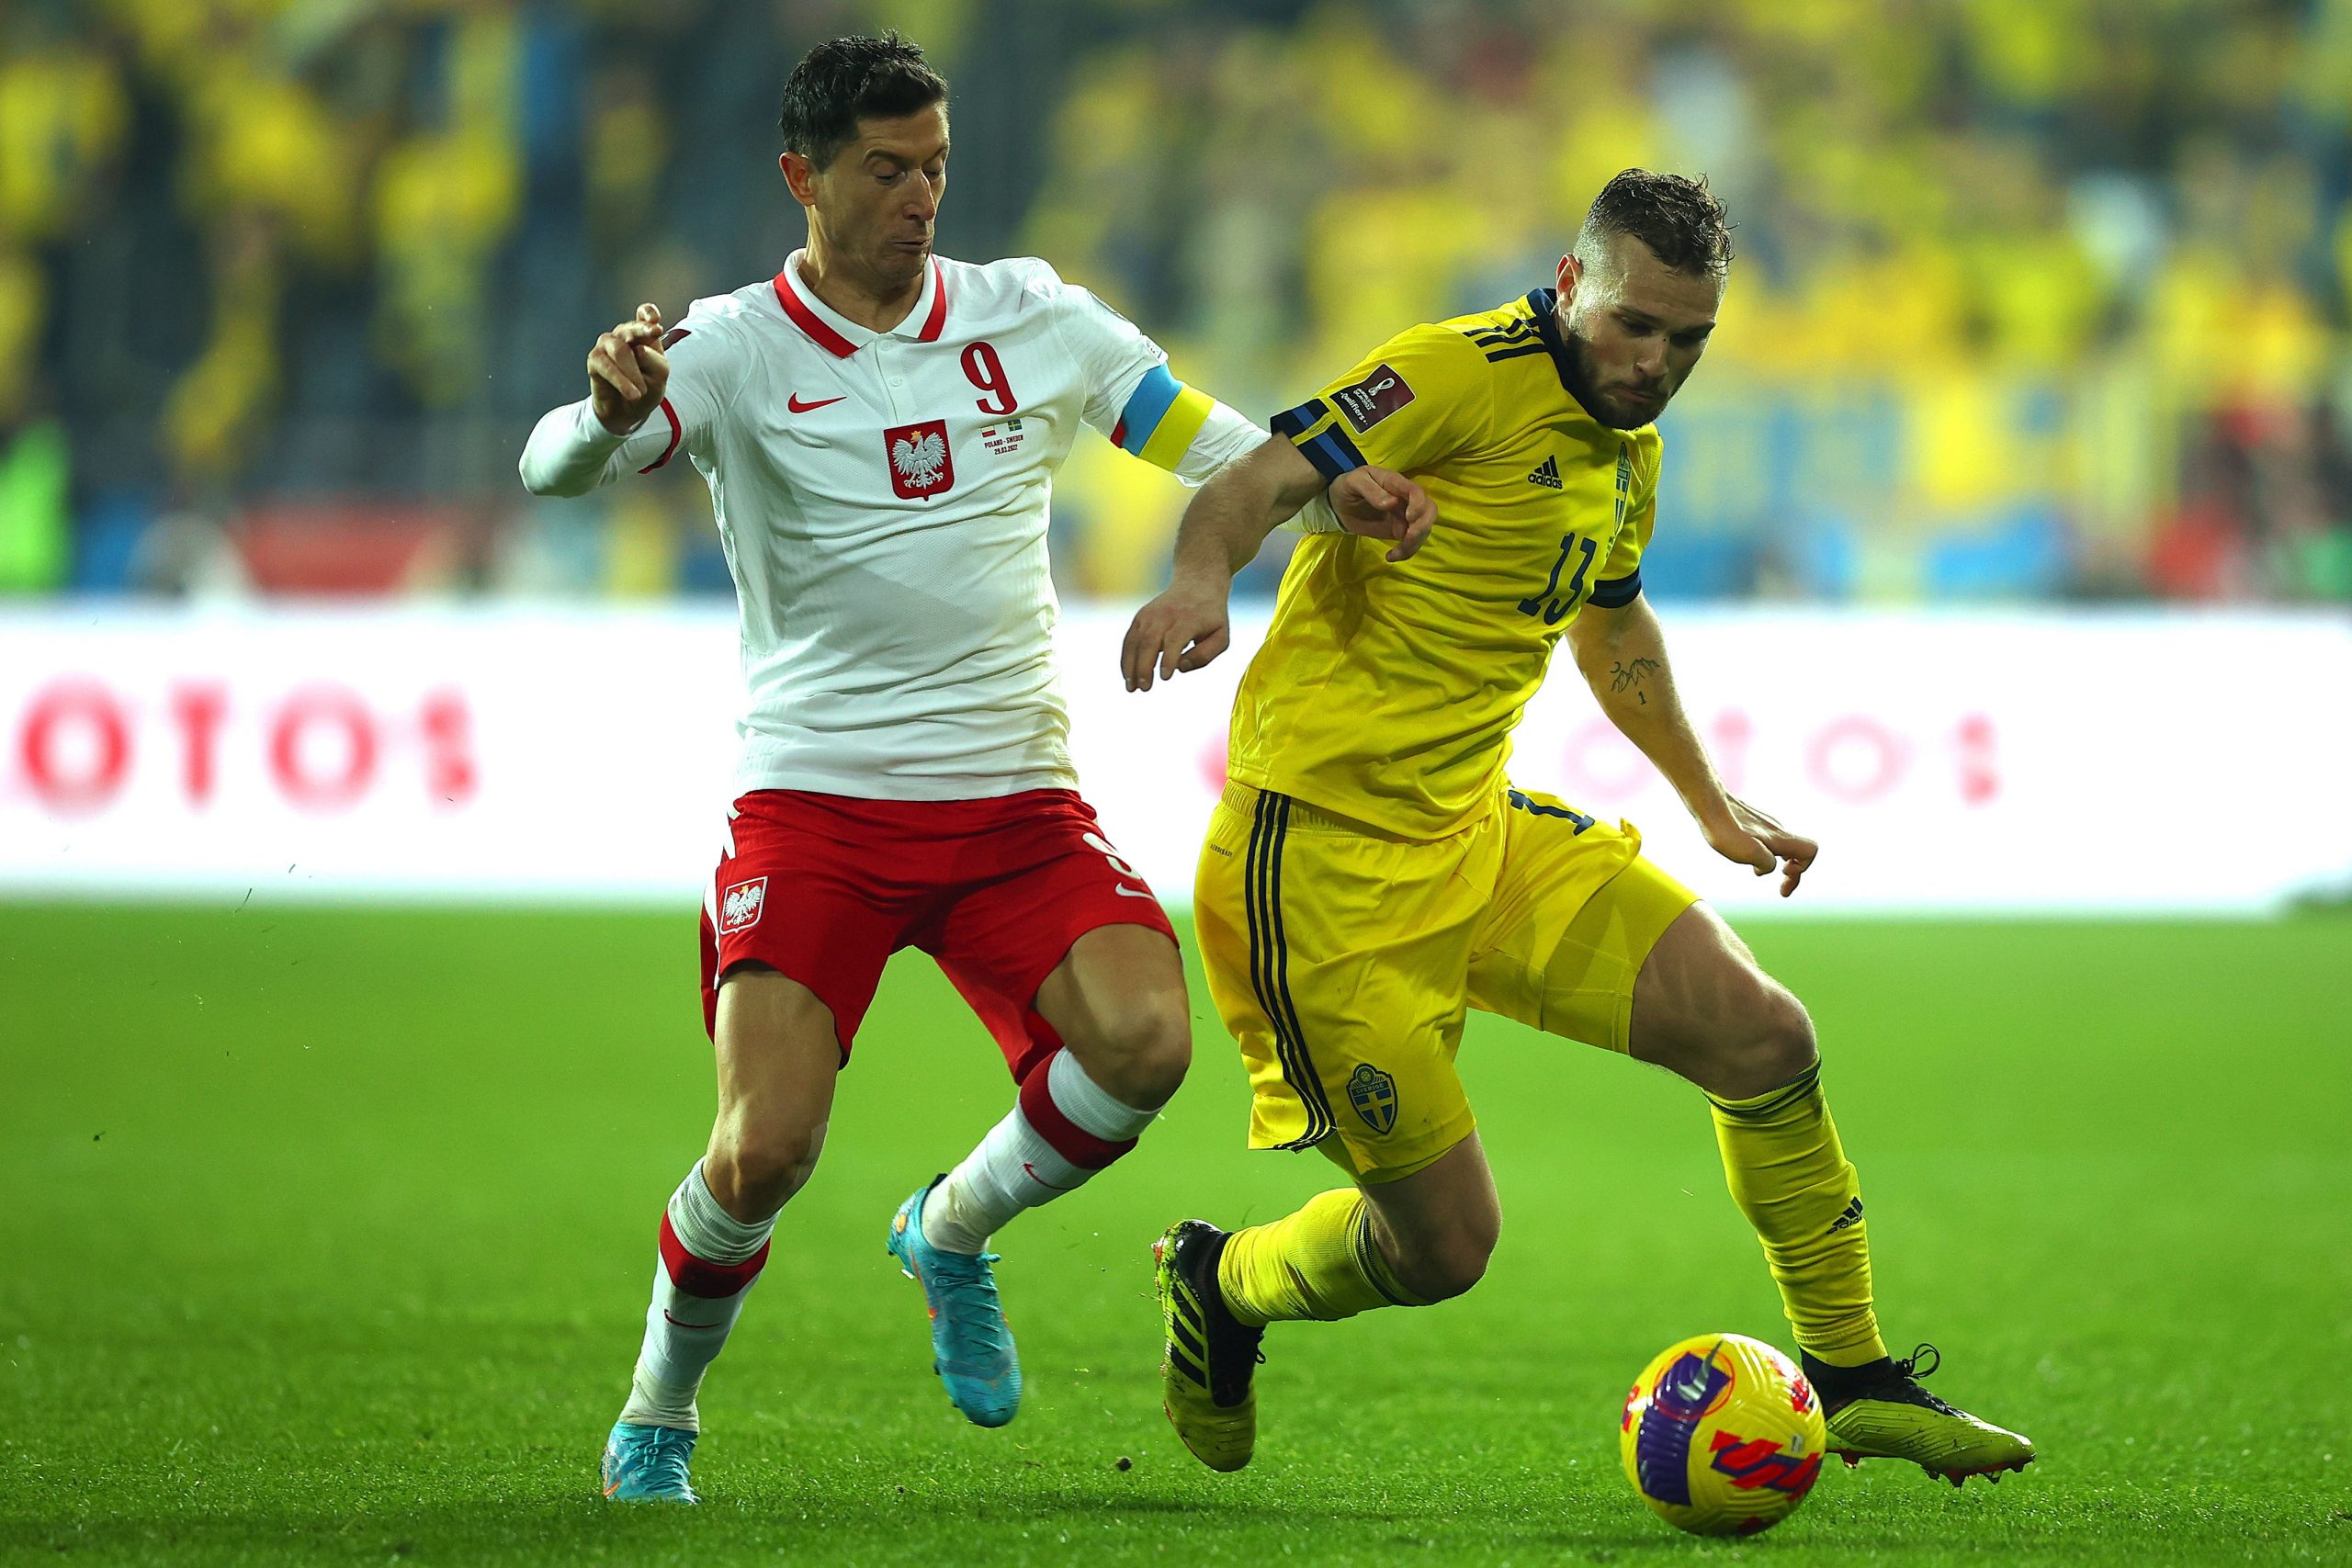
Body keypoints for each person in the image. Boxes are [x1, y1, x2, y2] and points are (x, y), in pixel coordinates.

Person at [518, 32, 1431, 1504]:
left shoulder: (1036, 319)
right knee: (761, 1156)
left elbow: (1207, 443)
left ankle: (949, 1228)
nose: (920, 196)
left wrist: (1336, 495)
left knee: (1146, 1046)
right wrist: (609, 411)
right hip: (816, 807)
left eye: (935, 166)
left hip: (1014, 799)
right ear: (800, 177)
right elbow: (553, 466)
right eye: (887, 170)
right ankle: (660, 1410)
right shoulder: (734, 346)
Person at [1121, 169, 2036, 1485]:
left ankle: (1849, 1374)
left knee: (1763, 1033)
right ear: (1569, 284)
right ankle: (1223, 1279)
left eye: (1689, 340)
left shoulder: (1629, 448)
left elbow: (1610, 623)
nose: (1656, 362)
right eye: (1635, 325)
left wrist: (1707, 804)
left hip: (1477, 837)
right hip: (1316, 876)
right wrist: (1201, 575)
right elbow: (1262, 475)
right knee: (1442, 1253)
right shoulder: (1452, 372)